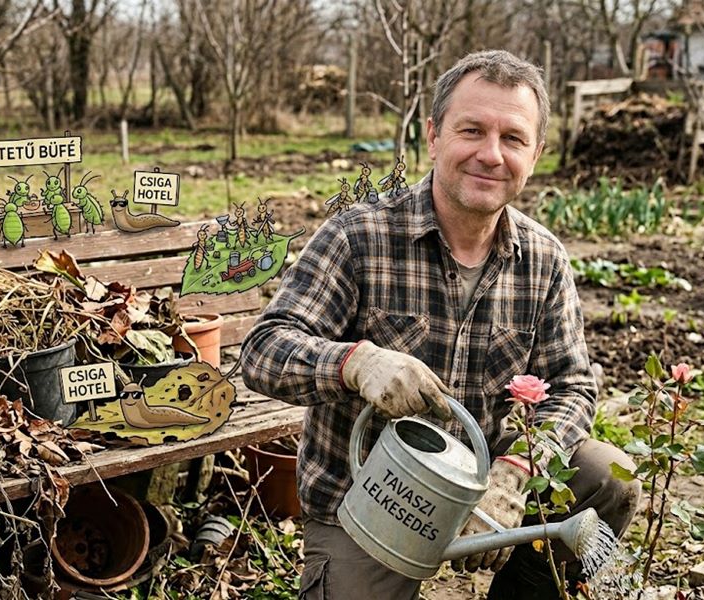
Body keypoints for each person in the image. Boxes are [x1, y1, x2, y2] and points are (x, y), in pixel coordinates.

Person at [240, 50, 641, 600]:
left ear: (537, 154)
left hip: (489, 493)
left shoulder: (544, 260)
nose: (491, 154)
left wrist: (520, 467)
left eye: (514, 139)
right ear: (432, 136)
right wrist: (355, 363)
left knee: (606, 473)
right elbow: (262, 351)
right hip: (369, 505)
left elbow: (572, 387)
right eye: (471, 130)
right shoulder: (358, 237)